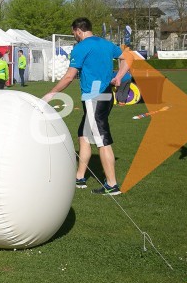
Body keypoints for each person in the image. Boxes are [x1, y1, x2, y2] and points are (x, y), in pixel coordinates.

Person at [44, 17, 129, 195]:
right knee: (83, 135)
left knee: (102, 140)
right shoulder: (106, 44)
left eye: (73, 32)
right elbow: (127, 58)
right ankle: (80, 177)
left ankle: (112, 185)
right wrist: (119, 76)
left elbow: (69, 77)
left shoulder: (81, 47)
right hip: (105, 95)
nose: (74, 35)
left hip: (94, 98)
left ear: (78, 30)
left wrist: (51, 94)